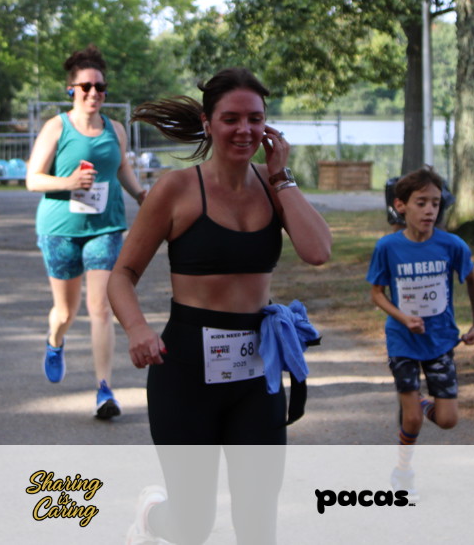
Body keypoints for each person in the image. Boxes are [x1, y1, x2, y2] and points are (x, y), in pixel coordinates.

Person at [108, 67, 331, 544]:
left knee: (258, 520)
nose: (245, 130)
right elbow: (122, 275)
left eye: (256, 118)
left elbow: (318, 252)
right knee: (193, 525)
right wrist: (137, 329)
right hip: (185, 371)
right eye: (231, 119)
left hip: (256, 373)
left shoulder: (274, 186)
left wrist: (282, 176)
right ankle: (150, 517)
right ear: (208, 123)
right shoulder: (176, 189)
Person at [25, 44, 147, 419]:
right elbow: (32, 179)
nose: (94, 93)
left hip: (105, 227)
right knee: (66, 311)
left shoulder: (115, 129)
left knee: (101, 308)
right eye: (86, 87)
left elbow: (122, 168)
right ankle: (55, 340)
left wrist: (142, 195)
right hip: (60, 228)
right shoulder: (56, 127)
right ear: (72, 90)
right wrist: (69, 182)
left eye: (100, 87)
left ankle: (104, 390)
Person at [366, 166, 474, 498]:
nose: (430, 210)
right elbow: (377, 294)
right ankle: (403, 473)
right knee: (413, 421)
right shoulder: (388, 247)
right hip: (402, 340)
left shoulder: (452, 245)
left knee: (447, 420)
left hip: (440, 339)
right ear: (401, 206)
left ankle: (417, 401)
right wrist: (403, 318)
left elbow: (473, 280)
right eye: (421, 203)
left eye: (435, 203)